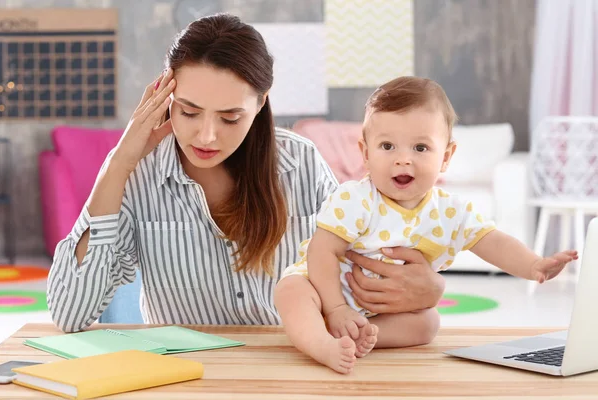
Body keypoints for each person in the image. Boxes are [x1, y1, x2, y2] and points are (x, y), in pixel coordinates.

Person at [46, 14, 445, 333]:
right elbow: (69, 313)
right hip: (187, 380)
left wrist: (426, 288)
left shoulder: (300, 164)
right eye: (187, 111)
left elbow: (363, 268)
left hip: (294, 371)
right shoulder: (140, 174)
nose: (206, 135)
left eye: (230, 117)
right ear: (165, 98)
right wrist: (118, 163)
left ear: (260, 104)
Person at [274, 76, 578, 374]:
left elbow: (493, 242)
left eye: (420, 148)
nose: (403, 160)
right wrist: (336, 307)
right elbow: (321, 252)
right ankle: (321, 344)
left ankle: (361, 335)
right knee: (291, 290)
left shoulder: (450, 211)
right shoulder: (356, 198)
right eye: (388, 146)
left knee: (427, 323)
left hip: (382, 310)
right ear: (366, 154)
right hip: (328, 289)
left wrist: (535, 264)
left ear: (445, 157)